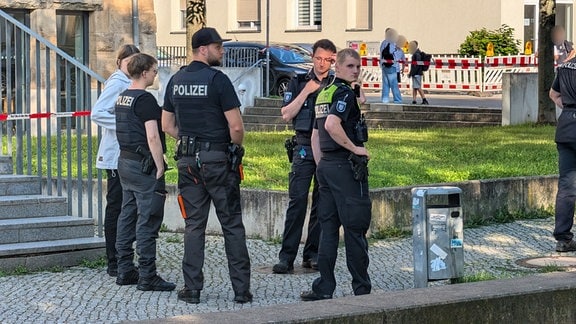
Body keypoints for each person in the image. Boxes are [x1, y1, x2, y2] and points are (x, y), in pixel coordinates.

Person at [162, 27, 252, 304]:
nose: (222, 51)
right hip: (218, 161)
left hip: (188, 162)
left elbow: (167, 125)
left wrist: (191, 141)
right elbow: (236, 127)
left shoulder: (175, 80)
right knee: (232, 224)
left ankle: (192, 289)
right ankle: (240, 290)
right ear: (203, 49)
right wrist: (232, 147)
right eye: (218, 47)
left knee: (194, 225)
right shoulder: (218, 80)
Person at [301, 48, 372, 301]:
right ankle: (362, 290)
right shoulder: (342, 93)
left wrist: (321, 166)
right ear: (338, 67)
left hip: (327, 168)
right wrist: (355, 148)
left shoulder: (323, 93)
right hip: (345, 167)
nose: (355, 70)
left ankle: (324, 287)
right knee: (355, 228)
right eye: (351, 66)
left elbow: (315, 135)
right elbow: (331, 125)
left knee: (329, 229)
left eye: (358, 67)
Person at [273, 39, 337, 274]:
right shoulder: (298, 81)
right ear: (313, 57)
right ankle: (286, 257)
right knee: (297, 202)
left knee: (322, 204)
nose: (322, 64)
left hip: (328, 149)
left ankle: (313, 255)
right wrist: (307, 91)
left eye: (328, 60)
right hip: (303, 147)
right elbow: (286, 114)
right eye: (319, 58)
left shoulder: (336, 85)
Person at [114, 53, 175, 292]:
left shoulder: (122, 98)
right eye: (154, 70)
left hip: (125, 163)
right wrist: (160, 165)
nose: (155, 74)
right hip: (144, 166)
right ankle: (147, 276)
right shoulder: (145, 100)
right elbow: (152, 135)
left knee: (127, 215)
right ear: (144, 72)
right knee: (148, 220)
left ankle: (125, 269)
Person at [91, 44, 140, 277]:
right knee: (117, 207)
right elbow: (98, 112)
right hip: (115, 155)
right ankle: (114, 260)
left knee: (125, 207)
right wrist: (125, 126)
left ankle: (121, 258)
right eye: (127, 61)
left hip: (125, 153)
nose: (131, 65)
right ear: (120, 62)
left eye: (135, 61)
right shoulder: (117, 82)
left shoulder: (127, 82)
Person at [549, 55, 576, 252]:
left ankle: (563, 239)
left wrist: (569, 109)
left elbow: (553, 94)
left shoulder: (565, 67)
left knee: (567, 186)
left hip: (566, 128)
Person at [380, 28, 402, 104]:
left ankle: (385, 100)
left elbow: (381, 54)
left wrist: (381, 65)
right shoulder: (394, 43)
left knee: (385, 84)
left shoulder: (383, 43)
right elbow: (398, 55)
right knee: (394, 84)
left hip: (384, 66)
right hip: (392, 66)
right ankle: (397, 100)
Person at [408, 41, 429, 105]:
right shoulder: (417, 53)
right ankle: (414, 100)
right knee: (415, 87)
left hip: (417, 73)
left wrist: (411, 73)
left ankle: (424, 99)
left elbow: (416, 65)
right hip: (417, 73)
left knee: (418, 87)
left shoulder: (416, 54)